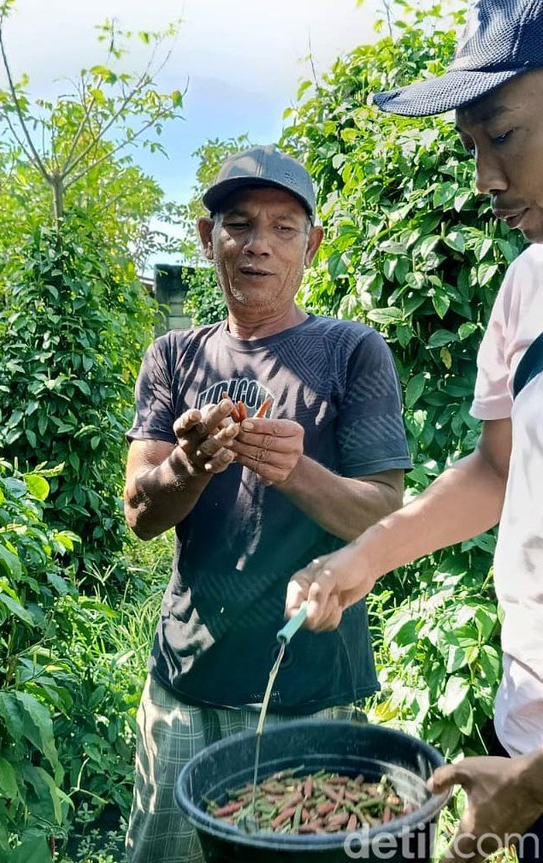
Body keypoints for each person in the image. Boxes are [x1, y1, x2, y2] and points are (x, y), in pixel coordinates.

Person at [286, 1, 543, 861]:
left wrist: (541, 781)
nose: (484, 179)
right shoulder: (525, 289)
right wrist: (365, 555)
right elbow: (498, 469)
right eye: (471, 146)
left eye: (502, 135)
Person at [122, 143, 413, 862]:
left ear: (312, 245)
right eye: (239, 223)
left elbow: (383, 515)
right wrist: (187, 467)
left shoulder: (353, 352)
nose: (259, 245)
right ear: (206, 237)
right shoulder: (173, 357)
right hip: (188, 682)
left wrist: (295, 470)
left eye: (284, 228)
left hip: (311, 689)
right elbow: (139, 512)